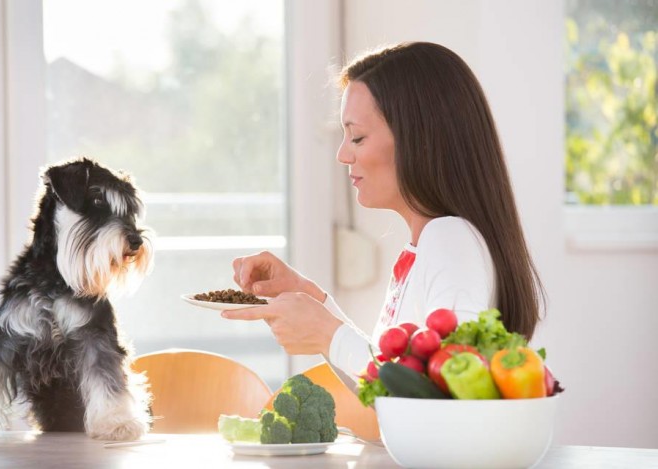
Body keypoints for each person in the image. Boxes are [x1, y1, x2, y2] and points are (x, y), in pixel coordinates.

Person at [221, 42, 546, 381]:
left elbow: (447, 392)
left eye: (357, 137)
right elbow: (387, 392)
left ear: (418, 140)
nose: (343, 155)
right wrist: (312, 300)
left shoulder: (450, 241)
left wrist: (328, 333)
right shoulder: (428, 245)